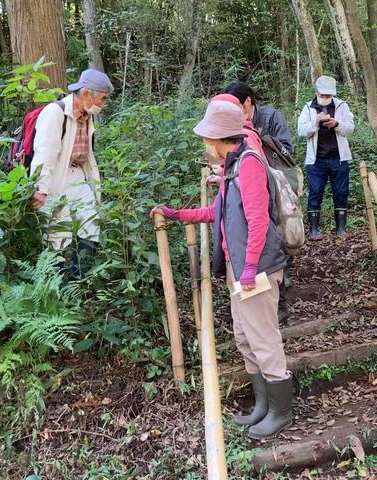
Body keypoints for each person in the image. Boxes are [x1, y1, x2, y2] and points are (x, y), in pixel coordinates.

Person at [149, 99, 293, 439]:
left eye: (206, 137)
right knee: (244, 336)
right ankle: (263, 405)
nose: (204, 143)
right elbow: (218, 211)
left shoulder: (249, 164)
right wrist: (177, 214)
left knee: (263, 338)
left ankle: (281, 412)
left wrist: (250, 269)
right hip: (238, 266)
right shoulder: (232, 167)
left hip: (255, 268)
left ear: (217, 138)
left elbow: (258, 221)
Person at [223, 80, 295, 324]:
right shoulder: (233, 125)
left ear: (247, 102)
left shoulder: (272, 117)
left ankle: (279, 305)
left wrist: (256, 139)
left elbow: (287, 150)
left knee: (277, 243)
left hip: (276, 189)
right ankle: (259, 306)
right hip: (250, 190)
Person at [30, 68, 113, 278]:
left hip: (79, 176)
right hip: (56, 177)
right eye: (102, 98)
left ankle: (78, 281)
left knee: (91, 225)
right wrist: (40, 188)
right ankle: (56, 285)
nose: (103, 104)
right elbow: (45, 153)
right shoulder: (55, 112)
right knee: (57, 235)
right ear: (86, 93)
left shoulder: (87, 114)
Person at [298, 75, 355, 240]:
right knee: (315, 192)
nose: (325, 97)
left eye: (328, 95)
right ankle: (314, 230)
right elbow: (301, 131)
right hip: (316, 160)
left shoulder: (341, 106)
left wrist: (336, 124)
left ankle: (341, 228)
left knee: (341, 192)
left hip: (339, 158)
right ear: (316, 92)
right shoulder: (308, 108)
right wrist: (315, 123)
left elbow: (350, 128)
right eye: (322, 95)